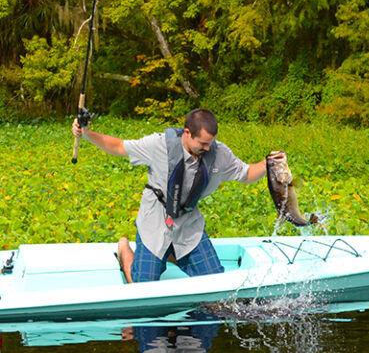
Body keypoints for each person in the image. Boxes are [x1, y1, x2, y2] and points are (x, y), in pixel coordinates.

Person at [71, 108, 270, 283]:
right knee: (143, 285)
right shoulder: (158, 145)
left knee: (215, 281)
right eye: (203, 143)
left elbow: (246, 174)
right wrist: (86, 133)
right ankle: (125, 251)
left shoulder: (219, 153)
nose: (208, 148)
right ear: (187, 133)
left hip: (188, 224)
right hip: (156, 221)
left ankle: (172, 252)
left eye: (211, 143)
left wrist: (268, 163)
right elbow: (119, 146)